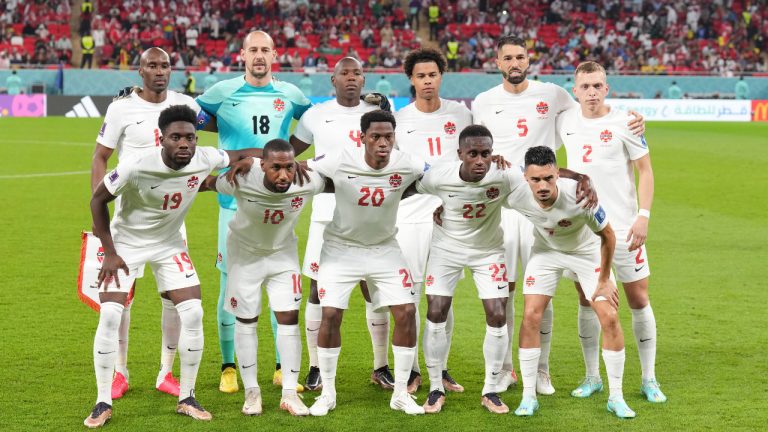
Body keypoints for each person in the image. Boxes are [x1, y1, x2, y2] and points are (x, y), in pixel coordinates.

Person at [472, 35, 644, 395]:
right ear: (498, 61)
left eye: (521, 56)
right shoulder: (483, 102)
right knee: (504, 290)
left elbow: (592, 107)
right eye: (508, 57)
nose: (515, 62)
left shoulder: (552, 94)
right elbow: (476, 151)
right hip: (504, 206)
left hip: (543, 204)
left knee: (540, 290)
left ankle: (542, 372)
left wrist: (631, 118)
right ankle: (503, 370)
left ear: (529, 60)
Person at [85, 105, 262, 427]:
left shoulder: (204, 157)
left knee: (193, 311)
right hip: (126, 243)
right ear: (162, 138)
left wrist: (253, 160)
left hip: (169, 243)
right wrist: (109, 251)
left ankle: (188, 396)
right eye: (176, 137)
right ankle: (102, 401)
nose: (185, 143)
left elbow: (239, 153)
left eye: (190, 137)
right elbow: (97, 200)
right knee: (111, 314)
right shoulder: (136, 165)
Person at [195, 30, 311, 394]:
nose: (259, 56)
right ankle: (228, 365)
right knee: (231, 283)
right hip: (234, 205)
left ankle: (280, 365)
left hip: (276, 205)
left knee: (281, 286)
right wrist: (231, 151)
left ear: (274, 55)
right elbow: (195, 119)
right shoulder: (221, 92)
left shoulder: (290, 94)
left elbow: (314, 124)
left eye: (265, 50)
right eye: (253, 50)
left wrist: (290, 160)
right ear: (242, 55)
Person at [91, 47, 201, 401]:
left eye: (165, 65)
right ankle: (120, 372)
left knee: (173, 297)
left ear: (172, 69)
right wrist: (97, 206)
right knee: (122, 299)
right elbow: (101, 155)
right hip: (128, 220)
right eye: (152, 65)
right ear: (140, 71)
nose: (159, 71)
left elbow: (211, 126)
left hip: (171, 219)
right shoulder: (121, 108)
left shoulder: (186, 104)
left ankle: (165, 372)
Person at [557, 61, 665, 403]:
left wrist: (644, 215)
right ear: (574, 90)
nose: (591, 92)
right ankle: (592, 377)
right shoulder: (565, 120)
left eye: (597, 85)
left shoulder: (625, 122)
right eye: (585, 86)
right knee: (587, 301)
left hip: (624, 228)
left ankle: (649, 378)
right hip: (584, 231)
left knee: (638, 299)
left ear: (607, 89)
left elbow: (645, 171)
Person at [307, 110, 428, 417]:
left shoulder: (407, 163)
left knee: (407, 311)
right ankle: (328, 393)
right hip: (340, 248)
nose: (383, 142)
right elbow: (299, 169)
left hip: (384, 249)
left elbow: (436, 175)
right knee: (331, 313)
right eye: (375, 136)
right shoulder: (339, 159)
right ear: (362, 138)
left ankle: (400, 393)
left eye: (388, 136)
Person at [289, 57, 395, 392]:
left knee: (373, 288)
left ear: (365, 80)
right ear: (332, 80)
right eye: (344, 73)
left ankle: (380, 365)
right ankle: (315, 366)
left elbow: (394, 153)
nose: (351, 78)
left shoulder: (377, 116)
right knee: (318, 291)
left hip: (370, 212)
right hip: (326, 213)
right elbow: (290, 154)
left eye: (357, 73)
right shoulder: (316, 115)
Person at [201, 139, 327, 416]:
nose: (283, 175)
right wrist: (236, 163)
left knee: (289, 320)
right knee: (246, 321)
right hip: (245, 257)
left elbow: (342, 176)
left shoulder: (307, 181)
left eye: (289, 167)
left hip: (283, 257)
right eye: (276, 168)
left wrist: (310, 165)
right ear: (263, 165)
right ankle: (252, 393)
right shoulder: (242, 179)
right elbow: (206, 183)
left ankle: (290, 394)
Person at [508, 145, 635, 419]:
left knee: (610, 316)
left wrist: (603, 280)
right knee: (530, 315)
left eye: (549, 178)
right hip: (546, 253)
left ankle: (616, 396)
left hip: (587, 253)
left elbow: (609, 236)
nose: (542, 185)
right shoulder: (517, 194)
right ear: (525, 178)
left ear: (557, 175)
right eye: (535, 179)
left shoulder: (580, 197)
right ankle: (529, 395)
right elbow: (482, 188)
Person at [394, 48, 471, 394]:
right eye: (421, 76)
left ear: (442, 76)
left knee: (443, 298)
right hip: (409, 218)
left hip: (450, 219)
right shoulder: (399, 119)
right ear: (411, 79)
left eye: (433, 75)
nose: (427, 81)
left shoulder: (461, 114)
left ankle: (440, 368)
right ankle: (410, 370)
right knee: (409, 296)